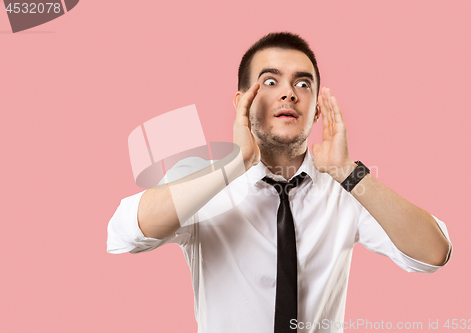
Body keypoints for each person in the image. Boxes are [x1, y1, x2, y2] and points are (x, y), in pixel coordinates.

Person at [107, 32, 452, 333]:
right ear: (242, 101)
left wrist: (349, 173)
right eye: (270, 82)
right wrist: (234, 165)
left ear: (317, 109)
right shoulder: (206, 181)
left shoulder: (345, 190)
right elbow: (127, 231)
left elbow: (433, 253)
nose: (289, 93)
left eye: (303, 84)